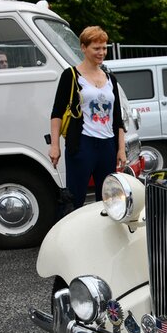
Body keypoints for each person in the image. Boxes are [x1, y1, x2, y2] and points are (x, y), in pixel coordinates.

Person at [49, 26, 127, 209]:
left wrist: (121, 149)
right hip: (82, 143)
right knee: (75, 198)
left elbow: (117, 116)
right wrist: (54, 146)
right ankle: (71, 235)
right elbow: (57, 113)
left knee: (109, 198)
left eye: (104, 48)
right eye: (96, 48)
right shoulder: (71, 76)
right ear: (83, 48)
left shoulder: (110, 79)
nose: (102, 53)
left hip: (108, 144)